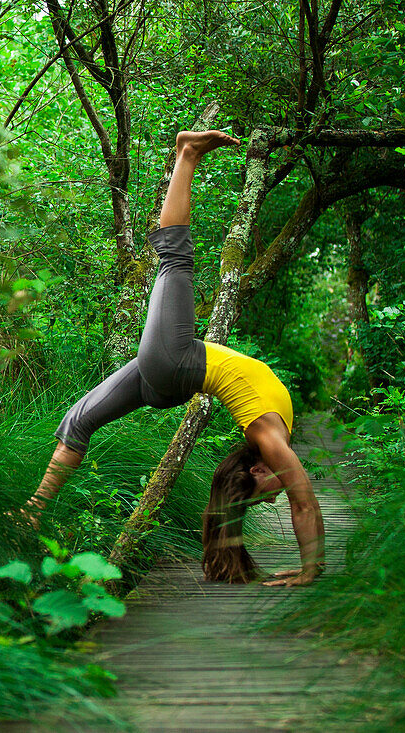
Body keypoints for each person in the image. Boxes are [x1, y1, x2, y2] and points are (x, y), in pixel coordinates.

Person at [20, 130, 325, 587]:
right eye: (266, 498)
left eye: (263, 498)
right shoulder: (272, 433)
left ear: (259, 468)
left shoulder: (267, 436)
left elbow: (302, 500)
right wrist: (311, 568)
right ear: (260, 471)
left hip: (176, 364)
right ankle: (30, 513)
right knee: (77, 422)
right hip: (172, 372)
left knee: (174, 260)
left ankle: (187, 153)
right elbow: (304, 499)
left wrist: (309, 569)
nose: (275, 498)